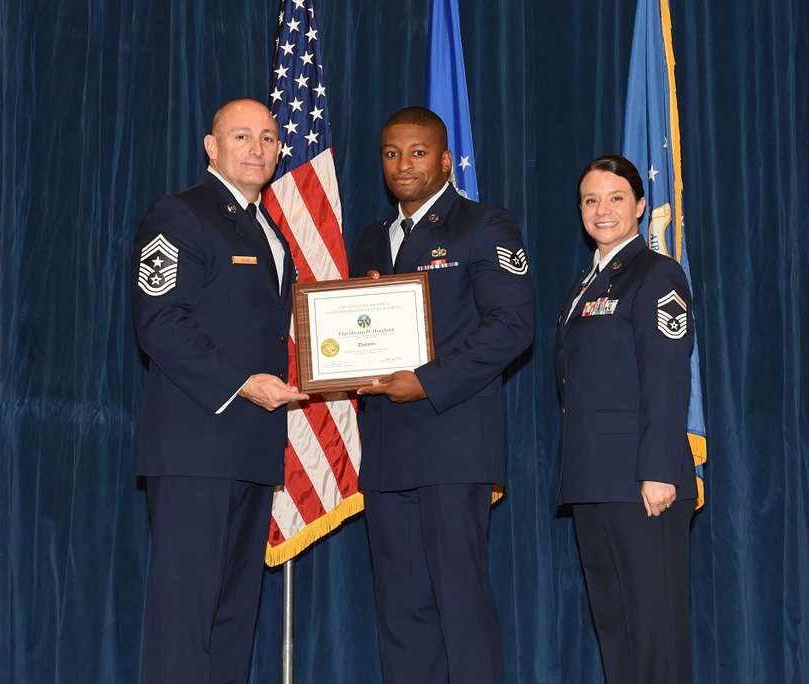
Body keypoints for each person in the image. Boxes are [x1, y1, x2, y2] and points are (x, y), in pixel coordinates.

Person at [350, 106, 534, 684]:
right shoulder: (371, 240)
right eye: (391, 153)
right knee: (401, 612)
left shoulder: (484, 226)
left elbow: (512, 326)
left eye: (418, 152)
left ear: (446, 159)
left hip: (453, 447)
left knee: (461, 605)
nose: (404, 165)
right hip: (387, 452)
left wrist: (427, 381)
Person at [131, 98, 308, 684]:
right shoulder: (179, 215)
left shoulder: (269, 230)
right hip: (195, 449)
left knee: (234, 618)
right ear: (212, 147)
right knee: (186, 618)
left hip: (253, 450)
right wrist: (241, 384)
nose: (258, 149)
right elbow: (160, 322)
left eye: (268, 137)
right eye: (242, 137)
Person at [556, 154, 697, 683]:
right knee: (616, 633)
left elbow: (666, 377)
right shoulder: (585, 284)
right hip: (596, 481)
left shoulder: (656, 274)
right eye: (591, 200)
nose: (602, 210)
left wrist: (659, 468)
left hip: (644, 484)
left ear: (640, 206)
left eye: (616, 198)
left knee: (655, 637)